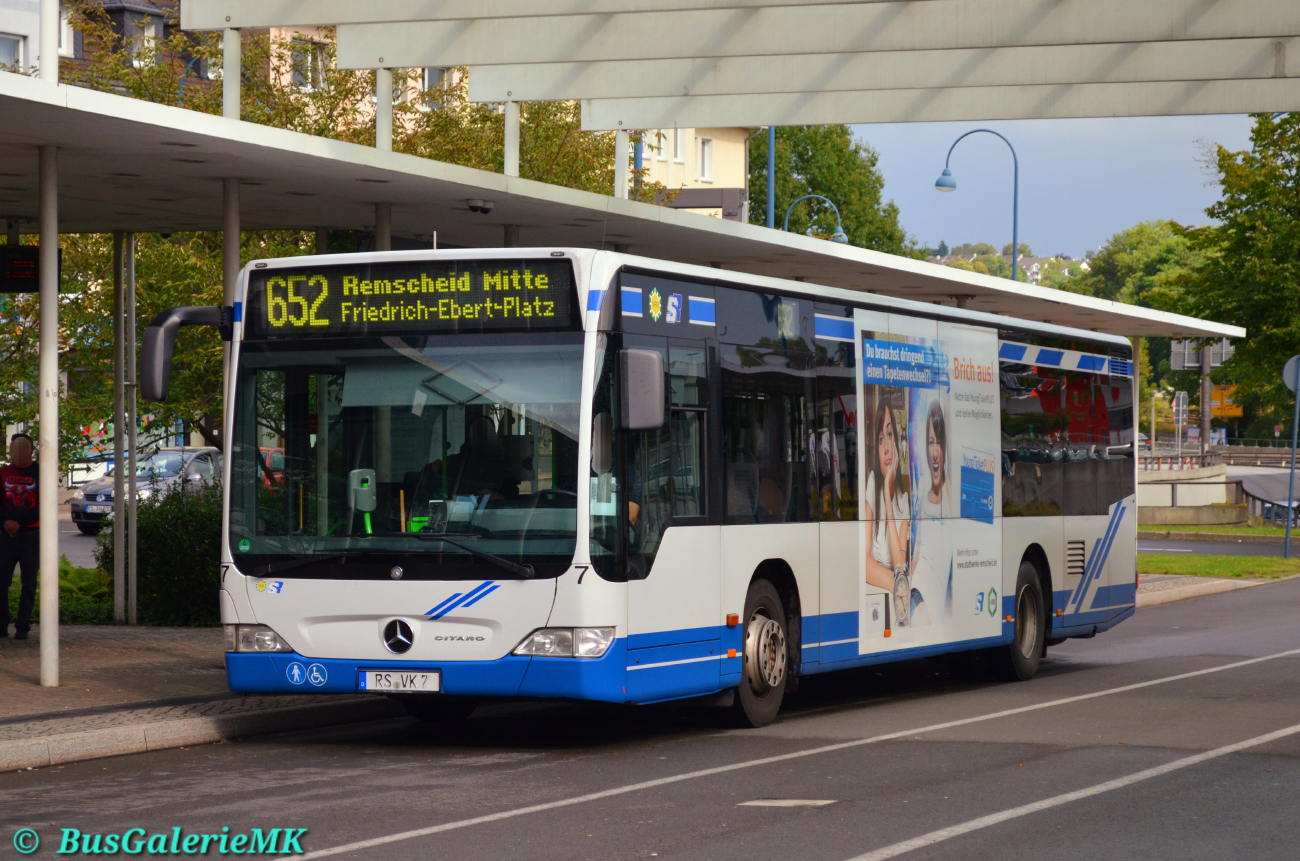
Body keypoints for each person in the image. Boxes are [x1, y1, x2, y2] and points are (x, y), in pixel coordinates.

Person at [864, 397, 910, 599]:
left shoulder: (903, 500)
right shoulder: (873, 482)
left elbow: (900, 564)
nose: (886, 447)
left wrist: (887, 497)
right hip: (880, 597)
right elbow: (864, 563)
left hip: (894, 601)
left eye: (889, 434)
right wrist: (895, 583)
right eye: (880, 438)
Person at [0, 434, 40, 639]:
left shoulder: (40, 472)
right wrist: (4, 523)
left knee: (29, 582)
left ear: (31, 450)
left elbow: (45, 504)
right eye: (15, 449)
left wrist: (22, 524)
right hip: (6, 537)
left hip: (32, 536)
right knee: (1, 581)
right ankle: (1, 625)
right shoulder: (3, 473)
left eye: (24, 449)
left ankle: (23, 627)